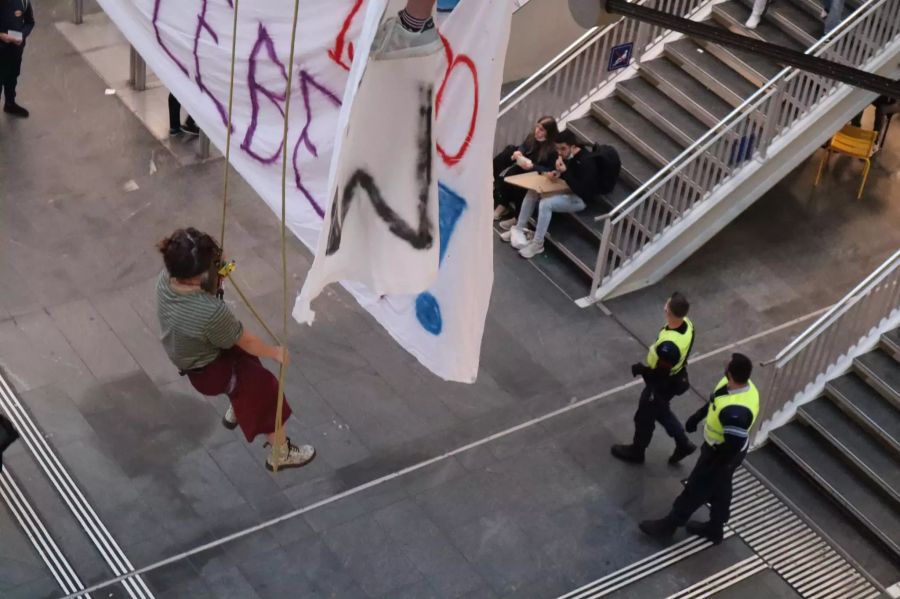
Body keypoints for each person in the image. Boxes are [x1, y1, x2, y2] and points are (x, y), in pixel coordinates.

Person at [156, 228, 315, 471]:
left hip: (196, 357)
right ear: (198, 274)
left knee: (248, 368)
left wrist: (213, 276)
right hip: (211, 370)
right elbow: (246, 341)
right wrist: (275, 352)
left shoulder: (165, 280)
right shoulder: (210, 312)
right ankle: (280, 454)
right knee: (267, 392)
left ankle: (239, 404)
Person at [639, 353, 759, 545]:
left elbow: (732, 445)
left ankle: (670, 524)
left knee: (696, 487)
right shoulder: (743, 386)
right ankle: (715, 528)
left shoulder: (736, 412)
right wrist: (697, 416)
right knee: (721, 489)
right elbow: (716, 399)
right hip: (720, 450)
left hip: (721, 454)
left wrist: (713, 467)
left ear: (730, 373)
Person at [611, 292, 697, 465]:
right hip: (675, 378)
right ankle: (683, 443)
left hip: (661, 384)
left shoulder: (669, 346)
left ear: (669, 311)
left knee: (644, 416)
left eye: (667, 304)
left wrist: (642, 370)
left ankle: (637, 452)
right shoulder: (687, 325)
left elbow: (660, 374)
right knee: (661, 411)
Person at [500, 128, 597, 259]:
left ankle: (538, 244)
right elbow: (566, 176)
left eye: (563, 149)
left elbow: (583, 190)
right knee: (533, 190)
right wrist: (557, 173)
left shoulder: (587, 161)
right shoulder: (567, 156)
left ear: (572, 147)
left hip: (580, 198)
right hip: (567, 189)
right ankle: (519, 228)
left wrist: (565, 173)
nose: (560, 153)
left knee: (546, 204)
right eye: (558, 149)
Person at [493, 116, 559, 222]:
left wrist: (533, 167)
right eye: (537, 127)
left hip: (537, 174)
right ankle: (503, 204)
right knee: (506, 176)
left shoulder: (552, 149)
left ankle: (517, 218)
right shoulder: (532, 136)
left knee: (521, 188)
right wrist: (520, 152)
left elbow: (549, 169)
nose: (537, 131)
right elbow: (524, 146)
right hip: (525, 167)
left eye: (541, 129)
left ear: (548, 132)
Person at [0, 0, 35, 118]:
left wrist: (21, 35)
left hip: (15, 50)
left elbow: (30, 22)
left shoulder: (23, 1)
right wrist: (1, 36)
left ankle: (10, 104)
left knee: (12, 77)